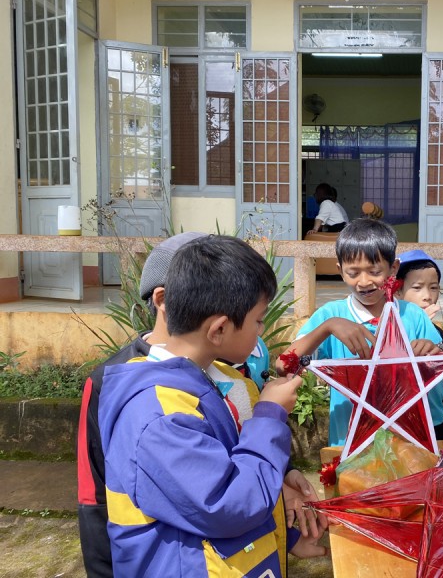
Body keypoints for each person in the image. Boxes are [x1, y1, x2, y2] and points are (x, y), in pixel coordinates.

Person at [78, 233, 322, 578]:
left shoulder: (224, 378)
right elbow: (230, 503)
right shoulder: (157, 413)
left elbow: (242, 466)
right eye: (258, 320)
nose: (262, 330)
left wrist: (289, 532)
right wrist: (269, 416)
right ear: (219, 328)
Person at [276, 218, 443, 446]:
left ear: (394, 268)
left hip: (407, 442)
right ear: (340, 271)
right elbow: (283, 366)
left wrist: (435, 352)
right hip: (350, 443)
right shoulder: (331, 315)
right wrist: (328, 327)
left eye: (375, 271)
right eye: (353, 272)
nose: (364, 282)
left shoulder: (412, 315)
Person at [396, 249, 443, 440]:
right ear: (398, 290)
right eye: (417, 288)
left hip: (437, 424)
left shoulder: (442, 337)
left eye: (433, 288)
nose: (427, 296)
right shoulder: (388, 328)